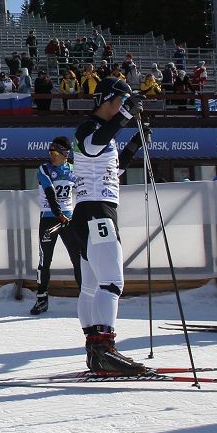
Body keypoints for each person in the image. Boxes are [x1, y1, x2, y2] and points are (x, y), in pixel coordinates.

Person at [68, 77, 149, 373]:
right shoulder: (89, 128)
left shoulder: (103, 133)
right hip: (96, 212)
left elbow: (112, 170)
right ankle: (104, 348)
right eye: (123, 101)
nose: (126, 106)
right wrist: (126, 116)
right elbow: (92, 147)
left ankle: (95, 350)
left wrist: (135, 144)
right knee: (112, 282)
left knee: (91, 287)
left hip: (89, 212)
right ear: (109, 100)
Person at [30, 137, 82, 315]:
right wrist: (59, 215)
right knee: (44, 261)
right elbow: (50, 193)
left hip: (68, 219)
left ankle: (86, 298)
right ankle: (41, 299)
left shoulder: (73, 170)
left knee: (78, 258)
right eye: (49, 152)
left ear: (65, 154)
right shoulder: (44, 169)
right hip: (49, 218)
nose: (51, 155)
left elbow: (84, 191)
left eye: (54, 152)